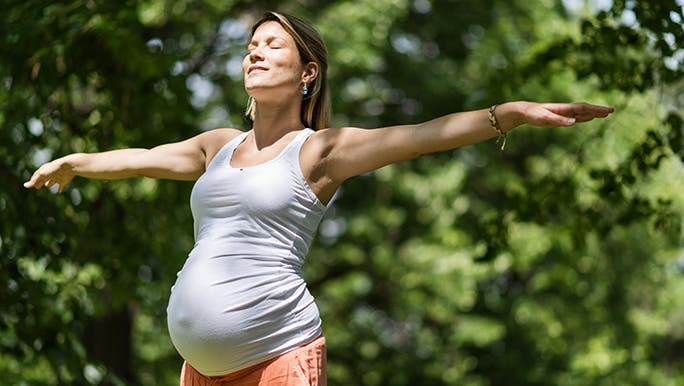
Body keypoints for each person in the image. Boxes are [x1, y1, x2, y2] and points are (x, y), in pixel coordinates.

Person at [23, 11, 614, 386]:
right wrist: (76, 162)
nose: (254, 52)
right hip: (200, 370)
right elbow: (144, 159)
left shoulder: (320, 152)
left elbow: (421, 136)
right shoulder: (216, 147)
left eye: (272, 46)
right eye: (251, 45)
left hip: (279, 357)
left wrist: (506, 114)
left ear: (307, 73)